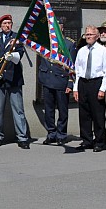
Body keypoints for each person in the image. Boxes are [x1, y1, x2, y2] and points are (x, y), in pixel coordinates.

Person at [0, 14, 30, 149]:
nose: (7, 25)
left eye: (9, 23)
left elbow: (20, 55)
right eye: (4, 23)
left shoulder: (17, 38)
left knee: (18, 110)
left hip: (14, 79)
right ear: (0, 25)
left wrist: (13, 56)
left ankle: (22, 138)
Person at [73, 25, 106, 152]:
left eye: (91, 34)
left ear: (97, 36)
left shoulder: (102, 51)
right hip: (83, 83)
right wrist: (75, 88)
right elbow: (77, 71)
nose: (88, 37)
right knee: (84, 113)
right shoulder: (82, 51)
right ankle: (86, 140)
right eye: (87, 34)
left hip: (96, 82)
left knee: (98, 113)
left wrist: (102, 89)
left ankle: (100, 141)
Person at [38, 18, 75, 146]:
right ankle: (51, 133)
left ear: (62, 28)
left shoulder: (68, 44)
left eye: (58, 27)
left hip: (61, 81)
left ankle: (61, 134)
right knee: (48, 109)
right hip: (47, 79)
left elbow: (72, 66)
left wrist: (70, 83)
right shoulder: (45, 43)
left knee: (62, 110)